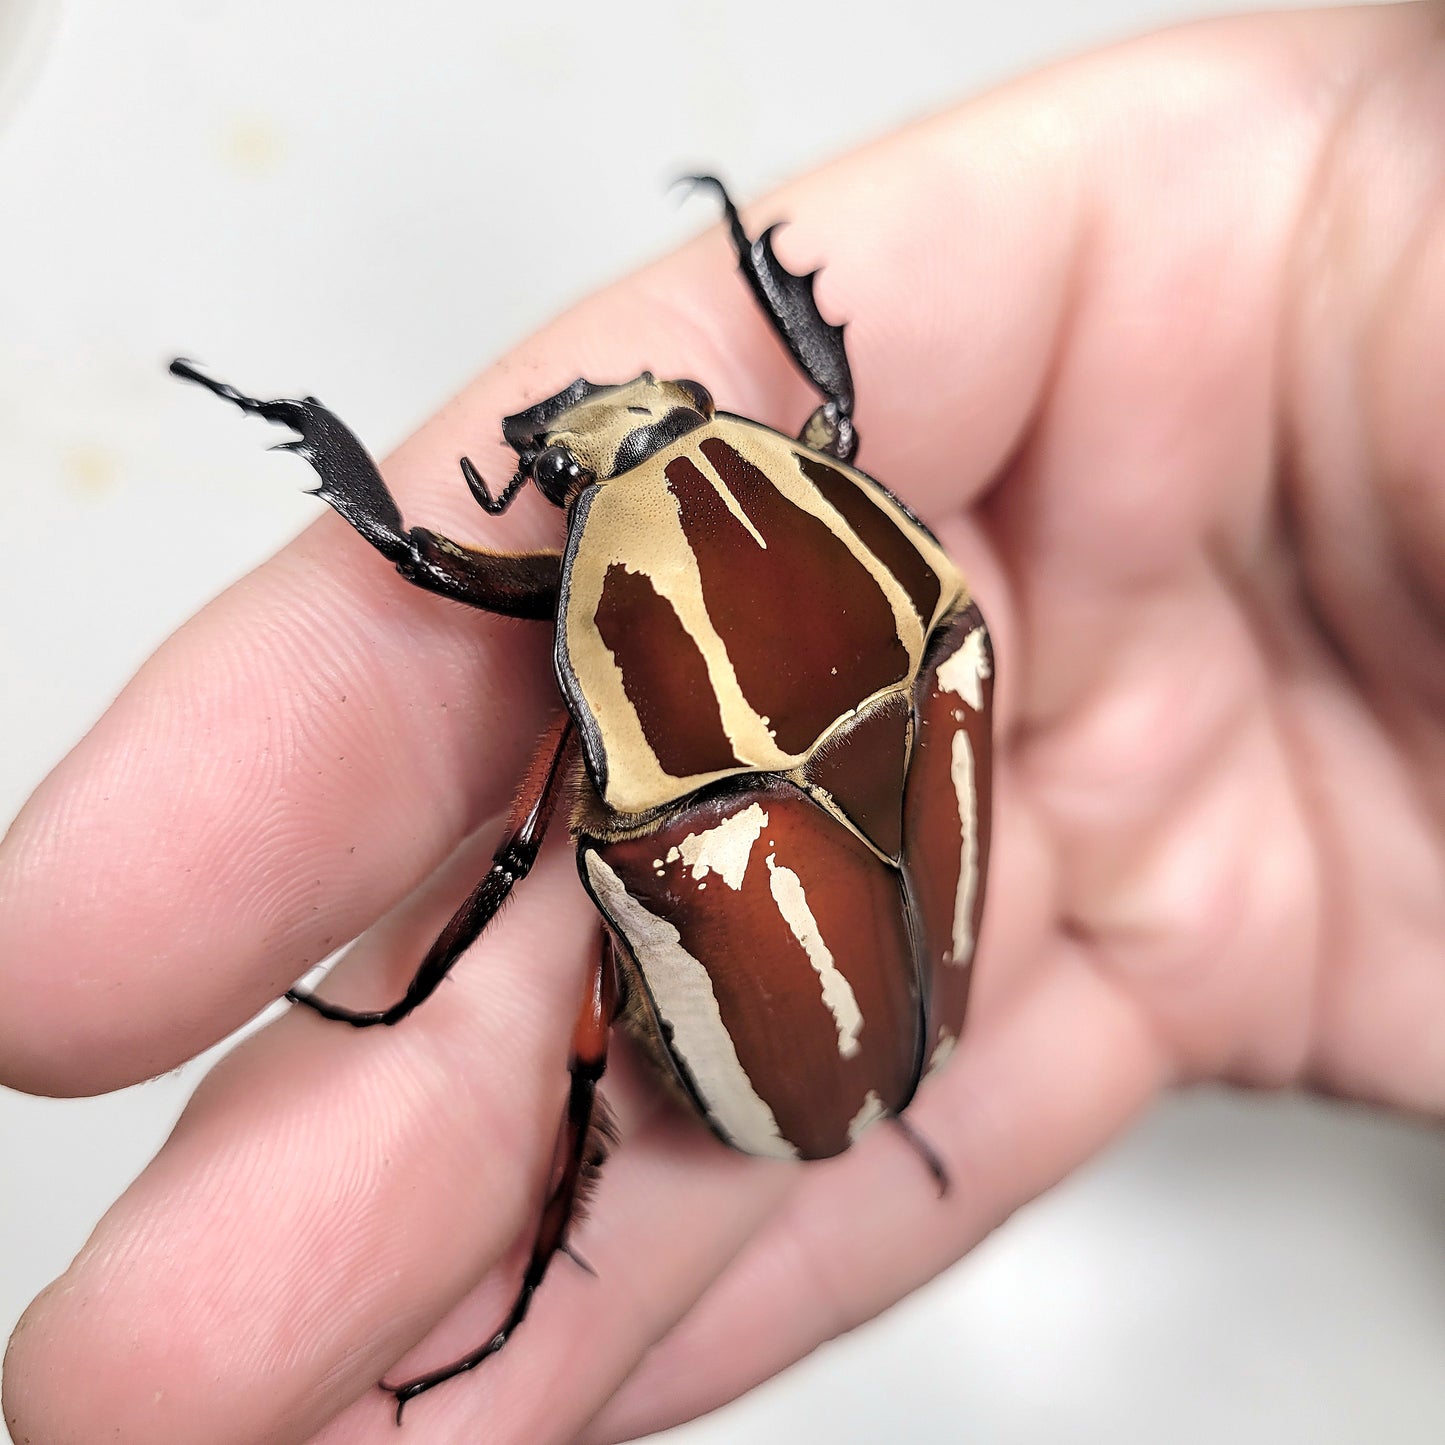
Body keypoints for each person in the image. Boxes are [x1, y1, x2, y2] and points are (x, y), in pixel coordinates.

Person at [3, 6, 1442, 1440]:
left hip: (824, 1036)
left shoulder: (736, 717)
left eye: (628, 443)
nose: (601, 426)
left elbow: (419, 558)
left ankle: (526, 1287)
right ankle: (527, 1275)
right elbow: (829, 400)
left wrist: (291, 417)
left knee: (571, 1028)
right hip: (868, 1032)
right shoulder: (941, 637)